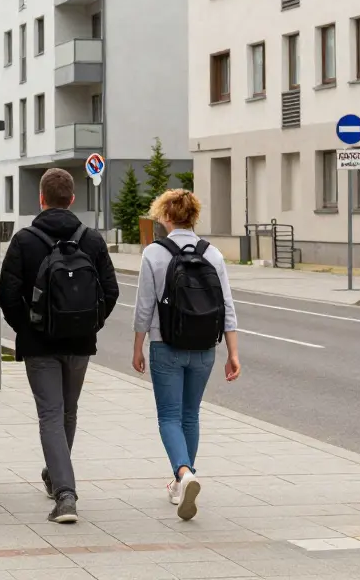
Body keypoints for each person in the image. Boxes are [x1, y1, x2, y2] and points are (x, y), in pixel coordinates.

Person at [0, 168, 119, 524]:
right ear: (72, 199)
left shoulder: (24, 240)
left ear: (41, 198)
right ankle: (56, 477)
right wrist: (89, 324)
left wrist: (28, 328)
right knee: (68, 411)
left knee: (50, 414)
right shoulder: (92, 239)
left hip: (39, 345)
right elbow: (110, 292)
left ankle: (65, 495)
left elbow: (8, 296)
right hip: (80, 342)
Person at [131, 189, 240, 522]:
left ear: (165, 216)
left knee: (168, 415)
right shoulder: (214, 254)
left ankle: (183, 473)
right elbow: (227, 306)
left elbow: (144, 307)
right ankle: (182, 482)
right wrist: (233, 352)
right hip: (206, 347)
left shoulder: (154, 253)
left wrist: (138, 346)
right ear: (194, 216)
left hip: (166, 345)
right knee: (190, 415)